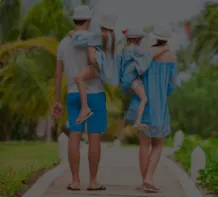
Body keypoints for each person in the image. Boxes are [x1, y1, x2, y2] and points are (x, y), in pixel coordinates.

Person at [52, 5, 107, 191]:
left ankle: (75, 181)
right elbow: (100, 65)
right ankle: (93, 181)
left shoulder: (63, 43)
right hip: (96, 94)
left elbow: (58, 74)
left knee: (74, 134)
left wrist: (57, 100)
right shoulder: (93, 40)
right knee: (94, 137)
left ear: (74, 21)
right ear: (89, 21)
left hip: (74, 94)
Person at [125, 24, 177, 193]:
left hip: (143, 102)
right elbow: (172, 84)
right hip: (159, 105)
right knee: (158, 144)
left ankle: (144, 181)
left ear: (154, 37)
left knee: (143, 145)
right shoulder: (171, 56)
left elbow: (135, 74)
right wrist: (162, 93)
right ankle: (149, 178)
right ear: (167, 39)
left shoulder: (146, 52)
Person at [69, 14, 119, 124]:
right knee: (82, 79)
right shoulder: (113, 37)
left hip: (97, 67)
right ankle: (86, 108)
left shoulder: (100, 36)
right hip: (107, 71)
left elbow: (79, 43)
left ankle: (85, 108)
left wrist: (73, 35)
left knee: (78, 78)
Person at [119, 27, 169, 130]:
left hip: (127, 79)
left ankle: (129, 117)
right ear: (137, 39)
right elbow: (149, 54)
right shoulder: (134, 49)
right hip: (132, 79)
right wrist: (164, 49)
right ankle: (137, 122)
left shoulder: (126, 49)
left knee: (139, 96)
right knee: (144, 98)